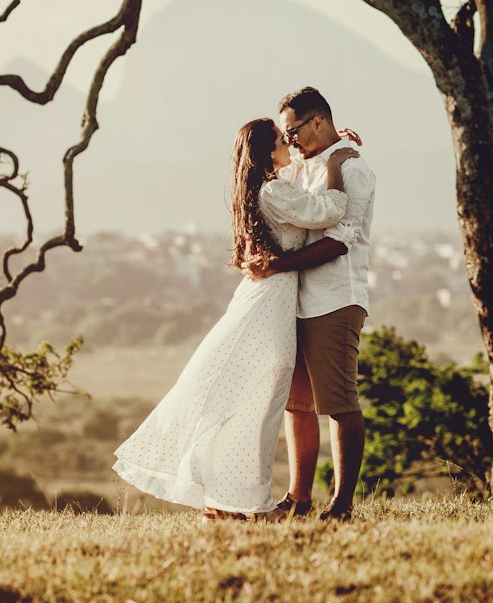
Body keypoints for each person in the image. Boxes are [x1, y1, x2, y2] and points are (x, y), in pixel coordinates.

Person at [112, 118, 359, 519]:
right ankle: (246, 502)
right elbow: (329, 209)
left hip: (273, 300)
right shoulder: (275, 191)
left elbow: (297, 170)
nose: (290, 144)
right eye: (282, 140)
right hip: (268, 306)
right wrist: (337, 164)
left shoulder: (270, 187)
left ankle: (233, 500)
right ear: (267, 153)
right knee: (262, 400)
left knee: (260, 401)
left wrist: (332, 145)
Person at [247, 87, 376, 523]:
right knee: (297, 403)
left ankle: (341, 504)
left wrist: (279, 265)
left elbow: (341, 241)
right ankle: (298, 498)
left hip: (336, 299)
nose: (291, 141)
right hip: (297, 302)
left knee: (338, 402)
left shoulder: (352, 168)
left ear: (317, 122)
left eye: (294, 131)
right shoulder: (302, 165)